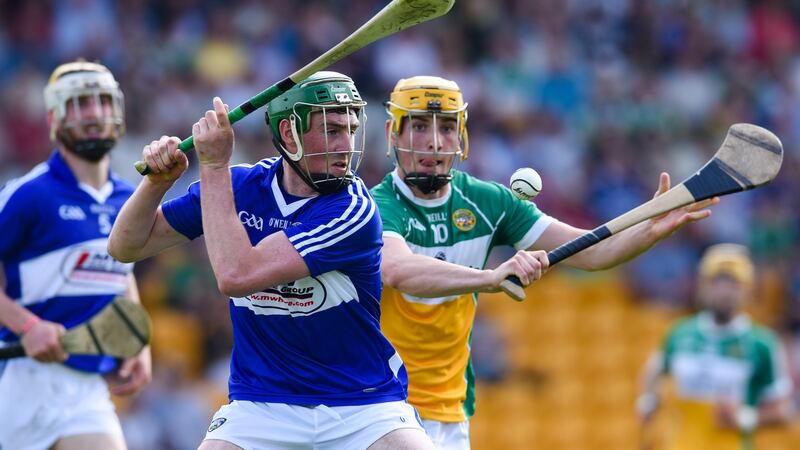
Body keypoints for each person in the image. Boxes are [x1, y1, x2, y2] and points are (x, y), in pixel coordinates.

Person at [370, 75, 719, 449]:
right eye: (419, 126)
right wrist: (490, 278)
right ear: (392, 133)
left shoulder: (489, 203)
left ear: (461, 136)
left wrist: (649, 229)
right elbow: (398, 270)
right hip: (383, 406)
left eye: (446, 127)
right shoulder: (374, 206)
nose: (435, 141)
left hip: (451, 411)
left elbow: (591, 250)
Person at [108, 71, 434, 450]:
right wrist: (157, 182)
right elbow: (125, 246)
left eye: (351, 129)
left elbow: (236, 275)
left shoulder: (353, 211)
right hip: (261, 404)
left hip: (362, 403)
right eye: (331, 130)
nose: (346, 145)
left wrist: (213, 167)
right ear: (288, 134)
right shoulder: (242, 187)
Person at [0, 60, 151, 450]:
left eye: (103, 101)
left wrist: (138, 342)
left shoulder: (129, 199)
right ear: (55, 117)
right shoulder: (29, 194)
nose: (95, 114)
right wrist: (27, 326)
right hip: (18, 378)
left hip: (84, 387)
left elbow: (122, 273)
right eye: (80, 103)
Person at [637, 243, 793, 450]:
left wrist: (744, 418)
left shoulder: (762, 344)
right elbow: (656, 367)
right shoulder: (679, 333)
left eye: (733, 283)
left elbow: (784, 410)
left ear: (747, 289)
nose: (723, 291)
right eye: (716, 281)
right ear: (703, 286)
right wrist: (648, 401)